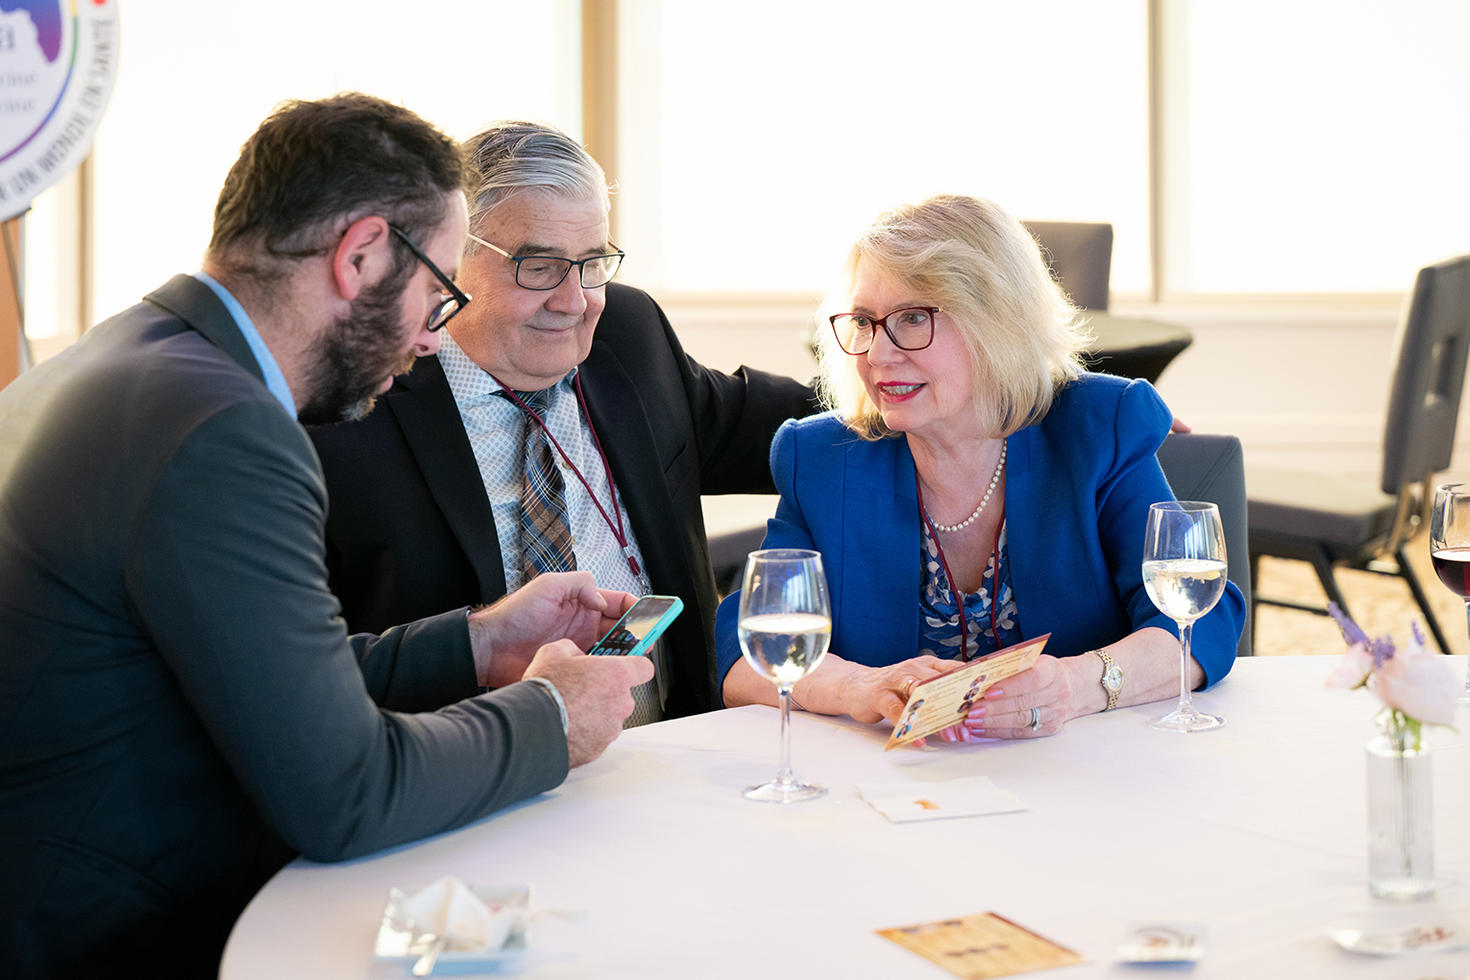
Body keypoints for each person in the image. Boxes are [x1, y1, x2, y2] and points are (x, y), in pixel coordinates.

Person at [0, 94, 653, 977]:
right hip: (122, 931)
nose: (432, 339)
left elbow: (265, 672)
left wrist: (476, 642)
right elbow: (346, 794)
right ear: (359, 257)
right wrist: (549, 718)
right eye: (437, 294)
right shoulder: (224, 429)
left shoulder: (127, 358)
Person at [310, 120, 817, 725]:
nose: (574, 300)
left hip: (677, 758)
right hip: (472, 783)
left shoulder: (628, 336)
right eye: (539, 266)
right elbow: (303, 680)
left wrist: (925, 378)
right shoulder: (348, 406)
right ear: (450, 262)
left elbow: (808, 428)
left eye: (593, 263)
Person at [715, 194, 1244, 741]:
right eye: (864, 322)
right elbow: (741, 646)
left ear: (997, 323)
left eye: (914, 318)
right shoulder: (822, 458)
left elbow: (1202, 619)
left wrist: (1074, 684)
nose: (877, 354)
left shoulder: (1096, 428)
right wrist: (858, 687)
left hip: (1085, 779)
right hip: (896, 790)